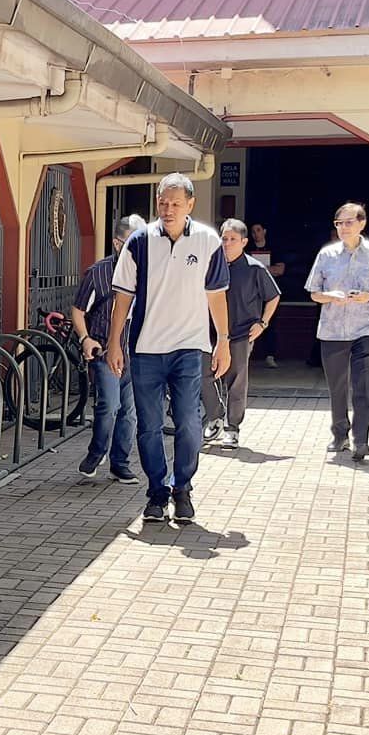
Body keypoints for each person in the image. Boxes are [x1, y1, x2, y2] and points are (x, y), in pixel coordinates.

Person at [106, 174, 230, 523]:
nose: (169, 209)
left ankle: (183, 487)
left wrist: (223, 341)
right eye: (163, 203)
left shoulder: (208, 241)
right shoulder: (140, 242)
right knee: (149, 426)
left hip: (190, 347)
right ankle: (157, 492)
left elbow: (217, 295)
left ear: (191, 204)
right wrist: (114, 343)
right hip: (146, 348)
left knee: (190, 422)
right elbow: (123, 297)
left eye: (176, 203)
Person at [304, 203, 369, 461]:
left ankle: (361, 440)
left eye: (348, 222)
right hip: (332, 330)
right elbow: (313, 293)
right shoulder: (326, 255)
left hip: (366, 328)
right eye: (338, 223)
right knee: (338, 387)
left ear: (361, 223)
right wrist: (329, 296)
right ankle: (340, 434)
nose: (343, 228)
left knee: (363, 387)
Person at [70, 215, 145, 483]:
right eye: (131, 243)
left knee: (130, 412)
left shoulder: (149, 273)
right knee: (109, 405)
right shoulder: (99, 273)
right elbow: (78, 311)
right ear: (116, 243)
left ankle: (120, 463)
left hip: (136, 354)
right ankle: (97, 451)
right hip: (104, 351)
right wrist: (85, 339)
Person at [202, 219, 280, 450]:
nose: (226, 243)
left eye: (232, 239)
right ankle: (215, 416)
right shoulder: (211, 265)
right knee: (202, 374)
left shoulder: (255, 268)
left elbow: (273, 296)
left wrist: (263, 323)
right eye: (223, 239)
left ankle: (232, 428)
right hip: (209, 333)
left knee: (236, 382)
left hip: (241, 333)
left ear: (244, 242)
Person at [248, 222, 283, 367]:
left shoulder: (275, 248)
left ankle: (270, 355)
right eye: (253, 231)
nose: (256, 234)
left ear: (264, 231)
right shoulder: (248, 250)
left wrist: (261, 270)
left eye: (258, 230)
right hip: (252, 295)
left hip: (269, 294)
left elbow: (280, 270)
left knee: (269, 324)